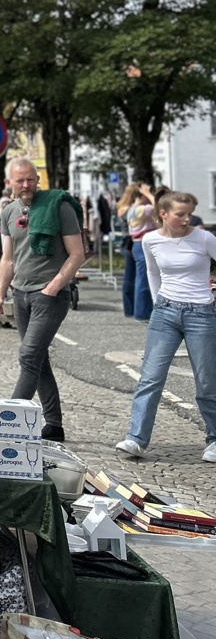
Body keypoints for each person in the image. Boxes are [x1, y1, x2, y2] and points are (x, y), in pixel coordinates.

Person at [115, 190, 216, 462]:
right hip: (165, 313)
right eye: (180, 214)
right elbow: (152, 271)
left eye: (189, 214)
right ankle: (136, 439)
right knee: (150, 377)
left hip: (202, 313)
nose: (186, 219)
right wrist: (159, 300)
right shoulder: (150, 240)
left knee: (206, 381)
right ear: (163, 214)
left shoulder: (205, 238)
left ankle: (214, 439)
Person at [0, 159, 85, 442]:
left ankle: (7, 426)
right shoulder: (8, 212)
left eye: (30, 179)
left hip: (49, 296)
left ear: (37, 179)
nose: (26, 185)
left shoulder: (60, 207)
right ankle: (54, 425)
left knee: (29, 355)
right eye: (20, 181)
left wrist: (53, 288)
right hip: (20, 294)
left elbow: (77, 254)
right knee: (39, 360)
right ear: (10, 182)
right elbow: (8, 259)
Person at [122, 182, 159, 320]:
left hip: (137, 245)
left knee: (141, 278)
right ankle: (142, 313)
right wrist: (148, 193)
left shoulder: (132, 209)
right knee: (144, 279)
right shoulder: (140, 209)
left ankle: (140, 311)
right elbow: (158, 207)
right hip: (142, 245)